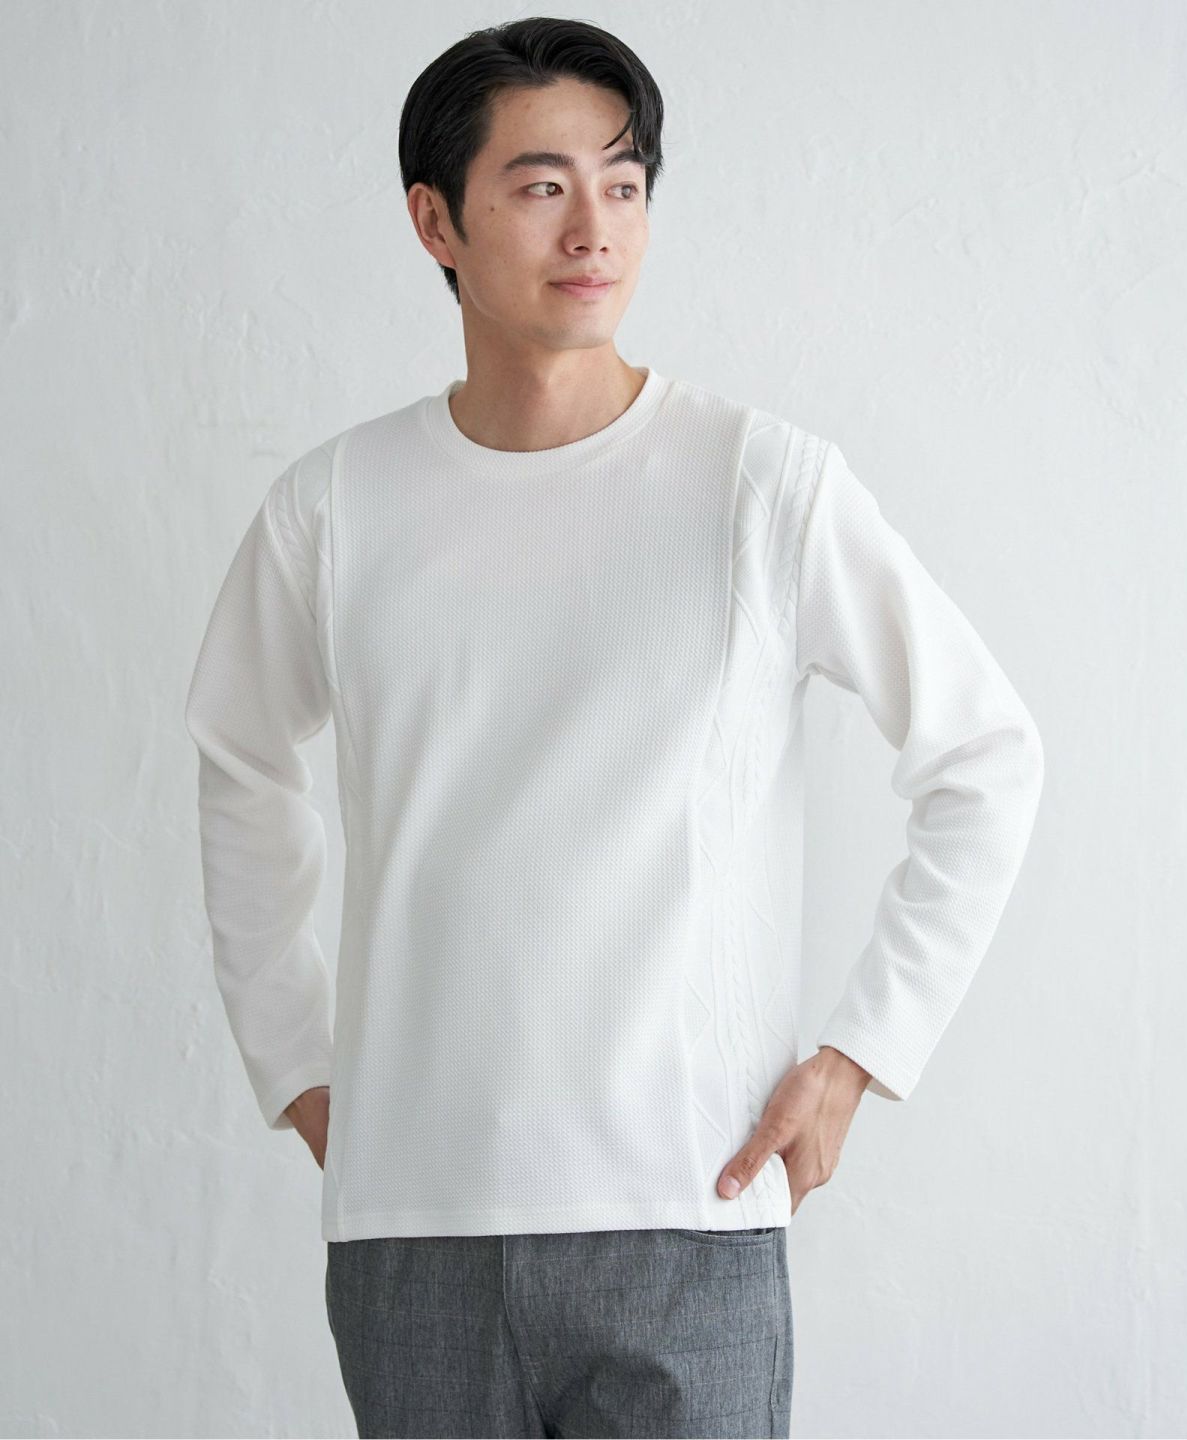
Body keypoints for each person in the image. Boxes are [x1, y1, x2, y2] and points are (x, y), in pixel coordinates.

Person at [183, 16, 1045, 1439]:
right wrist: (300, 1068)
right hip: (417, 1234)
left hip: (688, 1209)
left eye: (624, 183)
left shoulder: (758, 486)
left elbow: (985, 755)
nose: (595, 227)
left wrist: (859, 1055)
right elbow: (239, 762)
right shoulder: (335, 508)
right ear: (436, 222)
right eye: (542, 186)